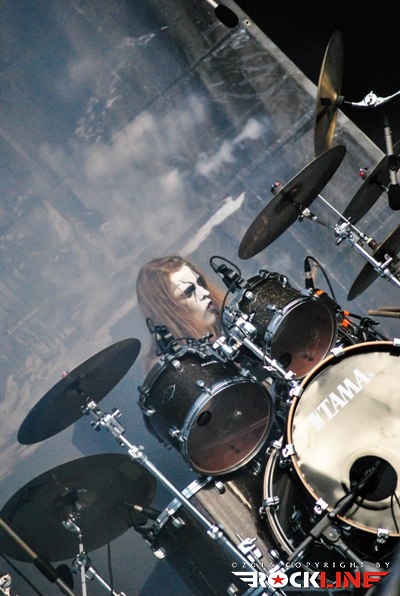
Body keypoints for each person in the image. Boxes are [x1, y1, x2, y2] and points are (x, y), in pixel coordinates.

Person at [136, 255, 226, 365]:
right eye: (188, 292)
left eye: (200, 282)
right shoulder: (169, 364)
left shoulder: (228, 325)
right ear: (168, 310)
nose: (205, 292)